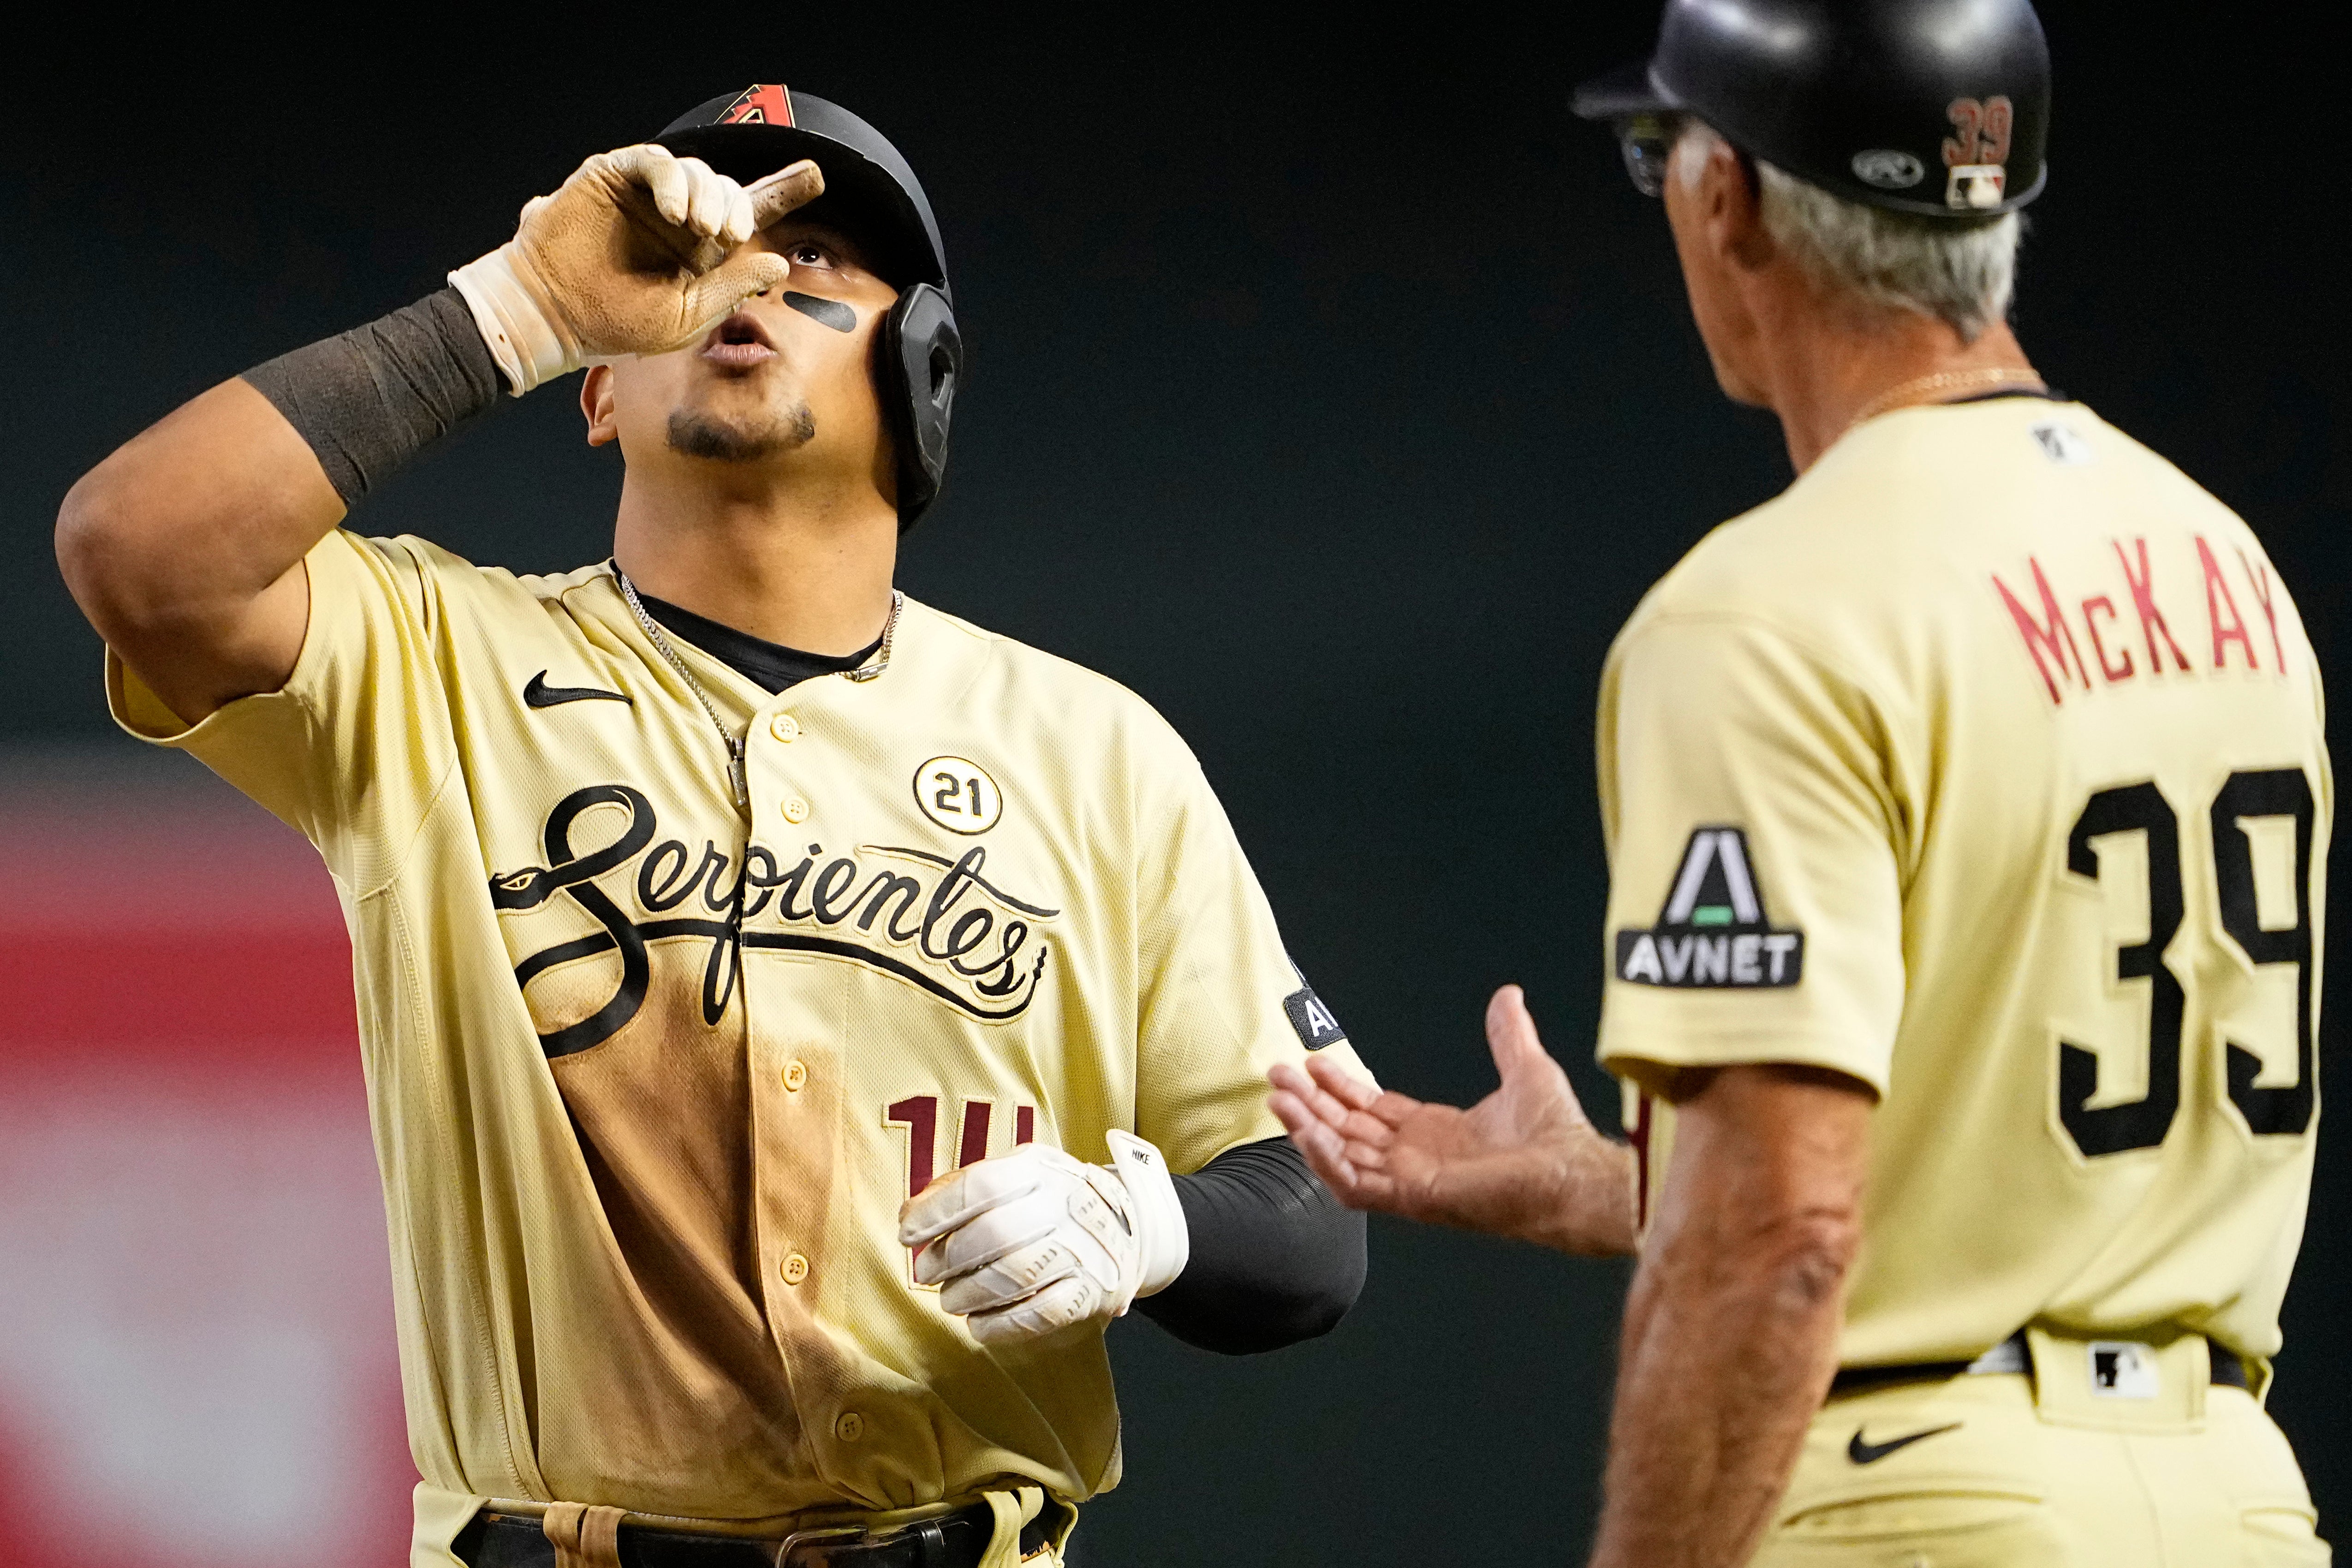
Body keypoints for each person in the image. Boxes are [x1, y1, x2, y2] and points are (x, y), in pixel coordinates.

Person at [56, 82, 1369, 1568]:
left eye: (822, 266)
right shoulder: (435, 665)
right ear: (599, 391)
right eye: (709, 256)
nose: (755, 276)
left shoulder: (1094, 753)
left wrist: (1148, 1227)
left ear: (923, 375)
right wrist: (523, 305)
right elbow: (139, 551)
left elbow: (1317, 1213)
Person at [1270, 1, 2332, 1562]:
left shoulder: (1766, 608)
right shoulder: (2218, 557)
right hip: (2236, 1494)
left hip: (1928, 1508)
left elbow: (1782, 1240)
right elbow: (1973, 1161)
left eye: (1662, 156)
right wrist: (1603, 1179)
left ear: (1728, 198)